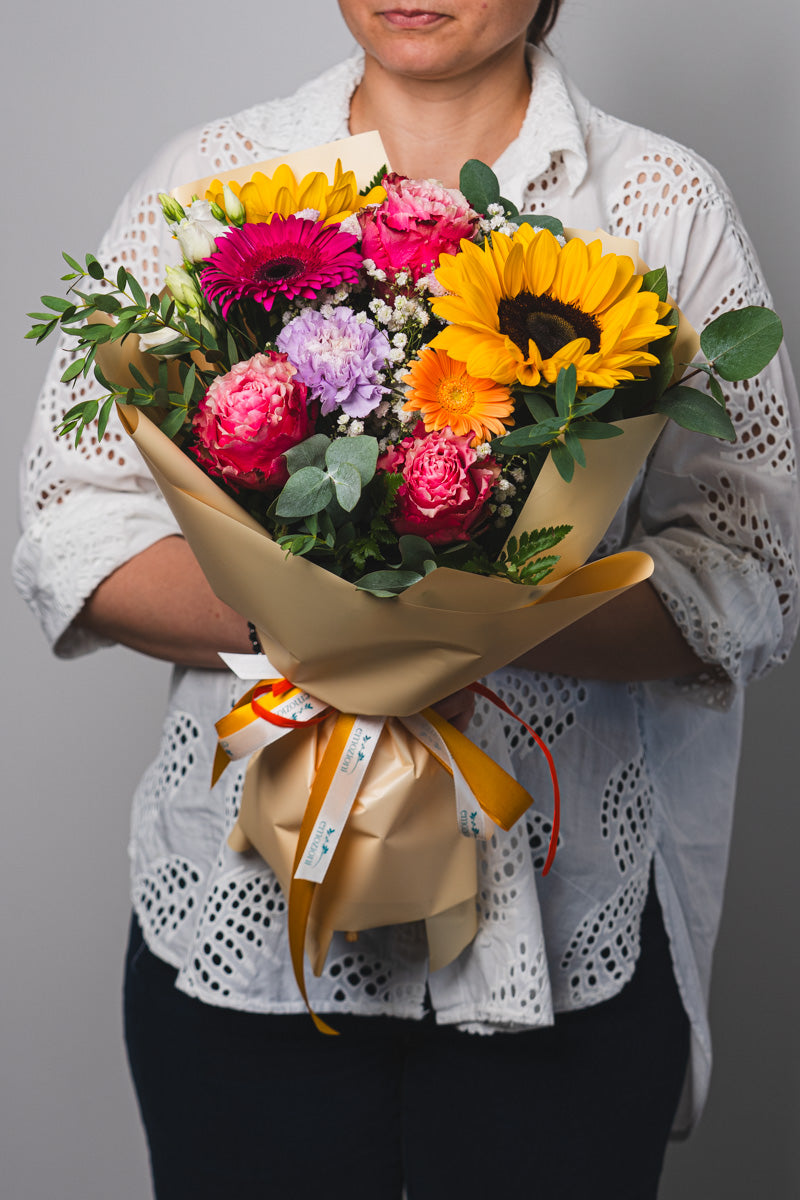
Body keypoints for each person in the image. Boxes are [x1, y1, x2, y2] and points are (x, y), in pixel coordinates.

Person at [13, 2, 799, 1197]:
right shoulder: (213, 179)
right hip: (246, 922)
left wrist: (492, 614)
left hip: (563, 935)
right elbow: (71, 525)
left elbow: (752, 561)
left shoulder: (657, 201)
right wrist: (330, 621)